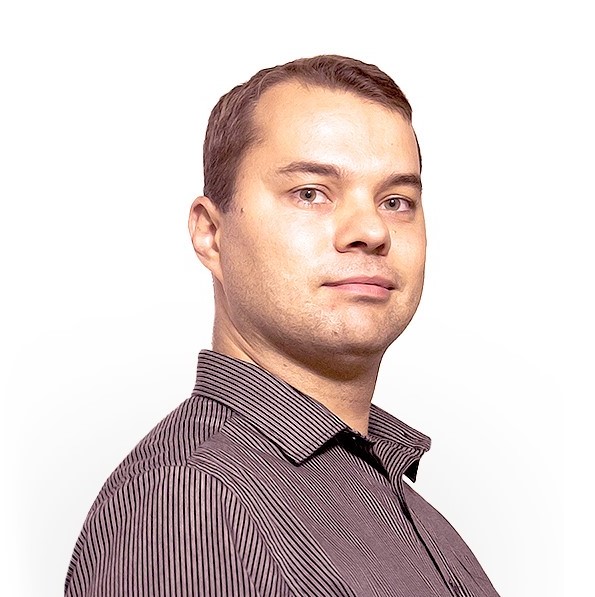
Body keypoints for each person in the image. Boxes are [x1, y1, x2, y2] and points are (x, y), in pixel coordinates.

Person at [65, 55, 500, 597]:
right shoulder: (192, 502)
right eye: (310, 193)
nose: (371, 230)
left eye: (396, 201)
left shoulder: (400, 501)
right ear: (210, 234)